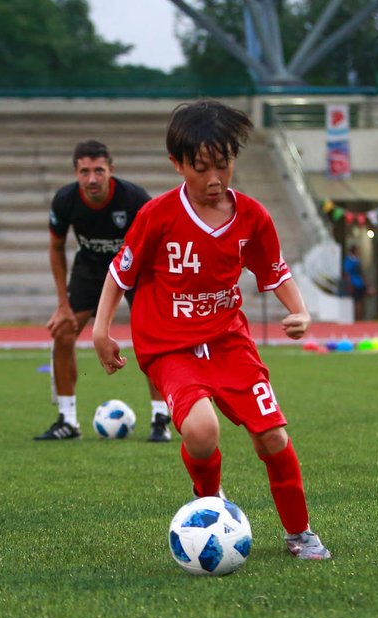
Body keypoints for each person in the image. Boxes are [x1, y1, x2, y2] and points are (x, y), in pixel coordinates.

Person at [92, 100, 331, 560]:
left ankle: (299, 533)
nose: (215, 178)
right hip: (170, 347)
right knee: (201, 432)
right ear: (177, 164)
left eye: (224, 165)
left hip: (229, 342)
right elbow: (120, 274)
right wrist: (102, 330)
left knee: (273, 437)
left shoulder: (252, 217)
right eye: (201, 168)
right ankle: (212, 502)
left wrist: (299, 310)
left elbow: (274, 270)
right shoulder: (158, 215)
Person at [37, 140, 171, 442]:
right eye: (85, 172)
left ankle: (160, 417)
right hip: (90, 269)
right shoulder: (65, 200)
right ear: (76, 173)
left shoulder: (134, 199)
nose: (92, 178)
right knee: (63, 332)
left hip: (137, 269)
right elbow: (56, 247)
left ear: (111, 169)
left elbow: (159, 244)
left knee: (153, 336)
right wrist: (62, 304)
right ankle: (67, 420)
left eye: (99, 170)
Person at [343, 244, 369, 321]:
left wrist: (365, 283)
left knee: (360, 301)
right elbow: (346, 273)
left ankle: (360, 317)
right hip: (354, 284)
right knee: (356, 302)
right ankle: (356, 318)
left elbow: (361, 273)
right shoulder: (348, 261)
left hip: (360, 284)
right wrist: (349, 284)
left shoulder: (357, 260)